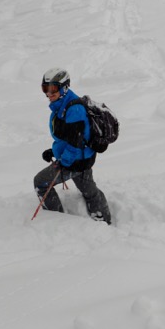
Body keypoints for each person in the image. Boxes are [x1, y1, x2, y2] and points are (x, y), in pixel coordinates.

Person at [34, 67, 112, 224]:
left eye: (53, 88)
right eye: (45, 88)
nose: (49, 93)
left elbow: (75, 143)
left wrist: (64, 163)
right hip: (84, 157)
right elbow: (70, 138)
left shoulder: (73, 109)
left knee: (40, 183)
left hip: (75, 161)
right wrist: (54, 151)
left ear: (65, 87)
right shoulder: (62, 105)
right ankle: (103, 219)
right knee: (89, 190)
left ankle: (57, 220)